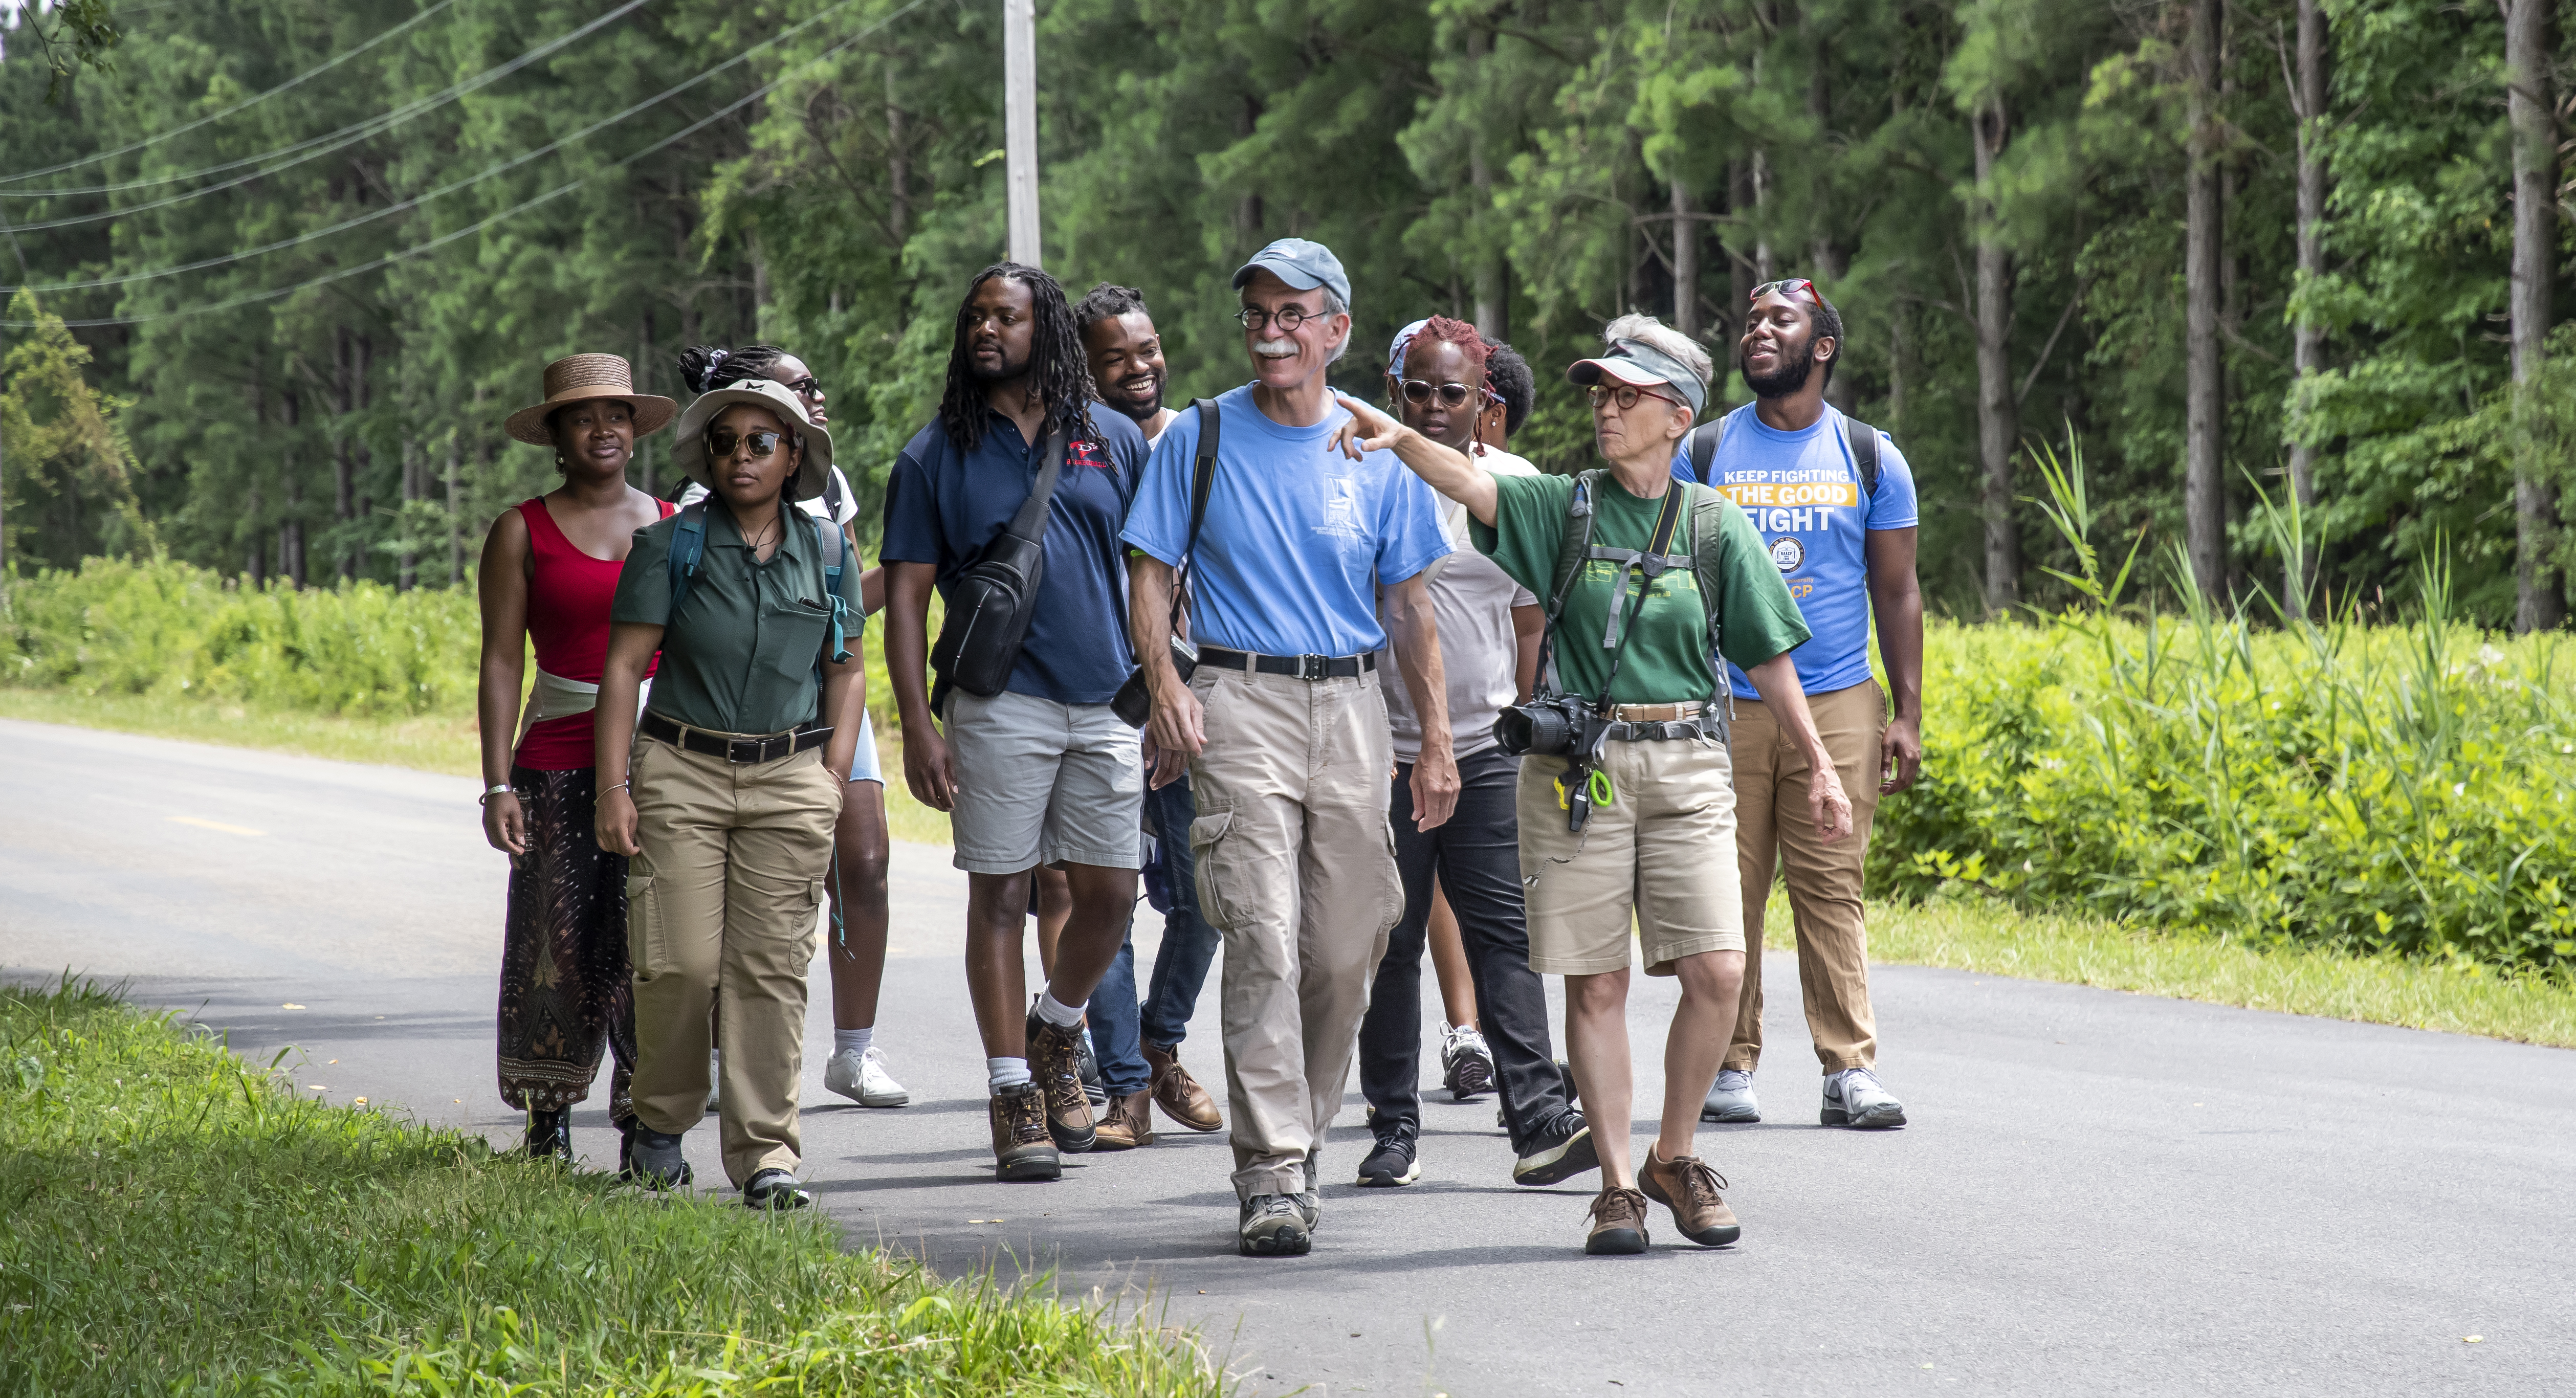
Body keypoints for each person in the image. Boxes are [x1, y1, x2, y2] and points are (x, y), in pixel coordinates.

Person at [1330, 313, 1854, 1256]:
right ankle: (1618, 1185)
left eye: (1626, 397)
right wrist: (1399, 433)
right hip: (1583, 773)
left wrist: (1821, 764)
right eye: (1601, 395)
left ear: (1676, 413)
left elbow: (1771, 658)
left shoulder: (1713, 523)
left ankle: (1675, 1153)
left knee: (1719, 972)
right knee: (1599, 978)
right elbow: (1466, 477)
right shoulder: (1560, 506)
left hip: (1692, 760)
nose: (1605, 411)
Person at [1123, 237, 1458, 1258]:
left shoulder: (1374, 443)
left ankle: (1299, 1139)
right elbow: (1148, 571)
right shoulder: (1202, 434)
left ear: (1337, 329)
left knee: (1348, 944)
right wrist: (1168, 684)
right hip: (1239, 696)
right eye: (1257, 315)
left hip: (1354, 707)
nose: (1271, 332)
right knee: (1262, 931)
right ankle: (1270, 1168)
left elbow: (1409, 607)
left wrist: (1435, 738)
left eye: (1292, 313)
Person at [882, 262, 1152, 1181]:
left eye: (1009, 315)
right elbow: (909, 597)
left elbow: (1154, 576)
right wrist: (920, 722)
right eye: (977, 317)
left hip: (1111, 698)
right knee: (1000, 894)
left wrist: (1167, 690)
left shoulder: (1112, 437)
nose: (988, 330)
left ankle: (1055, 1027)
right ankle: (1012, 1094)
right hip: (997, 704)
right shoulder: (934, 454)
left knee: (1114, 890)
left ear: (1050, 332)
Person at [593, 377, 867, 1210]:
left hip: (791, 776)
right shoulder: (671, 545)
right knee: (679, 962)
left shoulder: (826, 549)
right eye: (725, 442)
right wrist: (615, 787)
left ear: (793, 457)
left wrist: (832, 775)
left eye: (760, 442)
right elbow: (620, 669)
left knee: (770, 969)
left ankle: (767, 1158)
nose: (740, 455)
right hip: (682, 768)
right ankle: (660, 1129)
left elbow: (847, 667)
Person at [1353, 318, 1594, 1191]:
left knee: (1505, 932)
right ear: (1396, 394)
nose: (1433, 406)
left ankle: (1537, 1115)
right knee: (1390, 938)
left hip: (1489, 746)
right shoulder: (1358, 474)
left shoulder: (1513, 489)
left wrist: (1530, 732)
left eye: (1452, 392)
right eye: (1418, 390)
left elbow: (1530, 628)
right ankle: (1392, 1127)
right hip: (1380, 748)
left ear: (1484, 406)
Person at [1680, 280, 1924, 1130]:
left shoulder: (1868, 455)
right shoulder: (1704, 452)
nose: (1758, 333)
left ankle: (1849, 1066)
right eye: (1750, 322)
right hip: (1729, 702)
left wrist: (1907, 713)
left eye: (1778, 321)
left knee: (1831, 883)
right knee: (1728, 887)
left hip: (1841, 699)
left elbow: (1898, 591)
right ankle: (1728, 1064)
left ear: (1822, 345)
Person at [672, 343, 909, 1112]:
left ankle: (856, 1051)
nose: (819, 393)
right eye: (801, 386)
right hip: (744, 704)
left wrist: (914, 569)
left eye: (815, 383)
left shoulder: (827, 481)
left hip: (829, 686)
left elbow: (848, 603)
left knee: (865, 862)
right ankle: (716, 1054)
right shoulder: (707, 490)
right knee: (733, 885)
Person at [477, 352, 676, 1165]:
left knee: (652, 939)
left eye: (618, 415)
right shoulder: (522, 529)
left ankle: (647, 1119)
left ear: (636, 430)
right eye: (585, 417)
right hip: (555, 757)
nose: (605, 429)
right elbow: (500, 661)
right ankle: (547, 1115)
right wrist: (496, 782)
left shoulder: (672, 522)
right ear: (556, 436)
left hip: (662, 760)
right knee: (556, 939)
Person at [1075, 280, 1223, 1138]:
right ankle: (1126, 1087)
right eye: (1114, 357)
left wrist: (1175, 700)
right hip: (1102, 704)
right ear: (1084, 368)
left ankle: (1158, 1044)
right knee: (1108, 895)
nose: (1138, 369)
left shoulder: (1201, 441)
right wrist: (1137, 705)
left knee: (1208, 895)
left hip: (1197, 703)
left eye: (1147, 348)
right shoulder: (1084, 452)